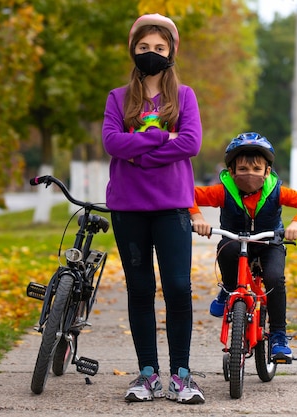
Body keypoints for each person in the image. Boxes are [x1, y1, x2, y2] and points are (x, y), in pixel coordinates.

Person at [102, 13, 204, 404]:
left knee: (178, 287)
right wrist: (163, 137)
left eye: (159, 48)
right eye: (144, 48)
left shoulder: (184, 97)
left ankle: (182, 375)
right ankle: (147, 374)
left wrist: (139, 152)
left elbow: (191, 143)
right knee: (141, 289)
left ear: (171, 52)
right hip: (128, 207)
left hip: (172, 206)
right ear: (133, 51)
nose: (151, 53)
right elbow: (113, 143)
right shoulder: (118, 98)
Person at [191, 132, 297, 357]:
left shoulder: (276, 191)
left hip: (269, 242)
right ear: (231, 172)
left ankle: (278, 335)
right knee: (226, 250)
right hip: (234, 240)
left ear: (267, 172)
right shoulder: (223, 191)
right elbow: (188, 195)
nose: (249, 174)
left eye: (256, 169)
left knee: (274, 278)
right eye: (242, 170)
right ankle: (228, 289)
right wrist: (197, 218)